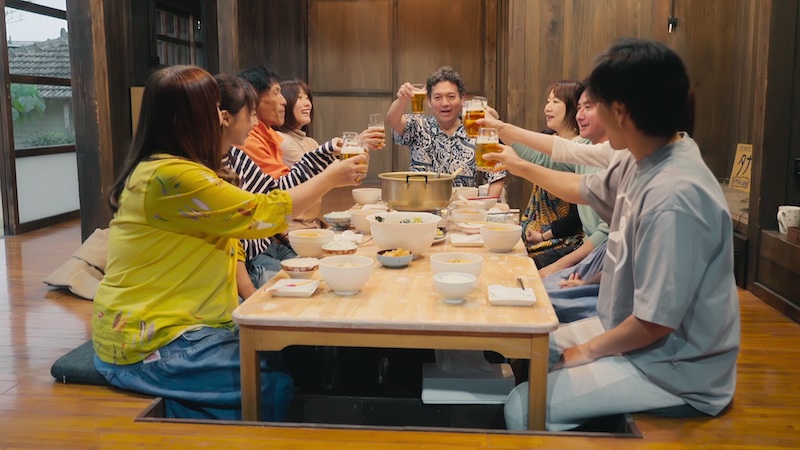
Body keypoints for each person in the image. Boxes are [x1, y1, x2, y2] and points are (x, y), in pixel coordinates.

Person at [483, 38, 740, 431]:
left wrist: (588, 351)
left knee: (522, 407)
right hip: (631, 334)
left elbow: (655, 322)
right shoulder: (642, 156)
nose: (588, 114)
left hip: (675, 367)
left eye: (596, 104)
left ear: (620, 111)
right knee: (533, 347)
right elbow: (581, 188)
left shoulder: (673, 196)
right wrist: (518, 163)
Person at [92, 65, 304, 421]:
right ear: (187, 117)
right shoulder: (171, 176)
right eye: (214, 108)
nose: (221, 117)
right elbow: (262, 213)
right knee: (269, 383)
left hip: (186, 326)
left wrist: (251, 297)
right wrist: (333, 176)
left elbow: (233, 237)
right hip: (149, 341)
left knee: (285, 351)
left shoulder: (184, 168)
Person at [215, 74, 367, 298]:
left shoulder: (235, 154)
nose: (255, 123)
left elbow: (275, 192)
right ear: (225, 117)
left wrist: (325, 154)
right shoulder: (216, 163)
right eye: (252, 114)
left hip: (264, 246)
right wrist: (330, 177)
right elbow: (262, 213)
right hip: (250, 261)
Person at [386, 66, 506, 197]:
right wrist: (402, 99)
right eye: (437, 97)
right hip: (420, 203)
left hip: (462, 205)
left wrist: (488, 204)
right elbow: (392, 121)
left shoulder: (476, 131)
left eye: (451, 96)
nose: (445, 103)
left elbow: (497, 176)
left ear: (462, 99)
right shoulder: (419, 126)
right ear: (429, 101)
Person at [517, 81, 588, 269]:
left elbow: (576, 218)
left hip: (566, 240)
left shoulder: (580, 148)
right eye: (548, 101)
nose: (548, 108)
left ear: (572, 107)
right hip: (538, 234)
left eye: (556, 102)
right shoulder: (549, 138)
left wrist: (544, 235)